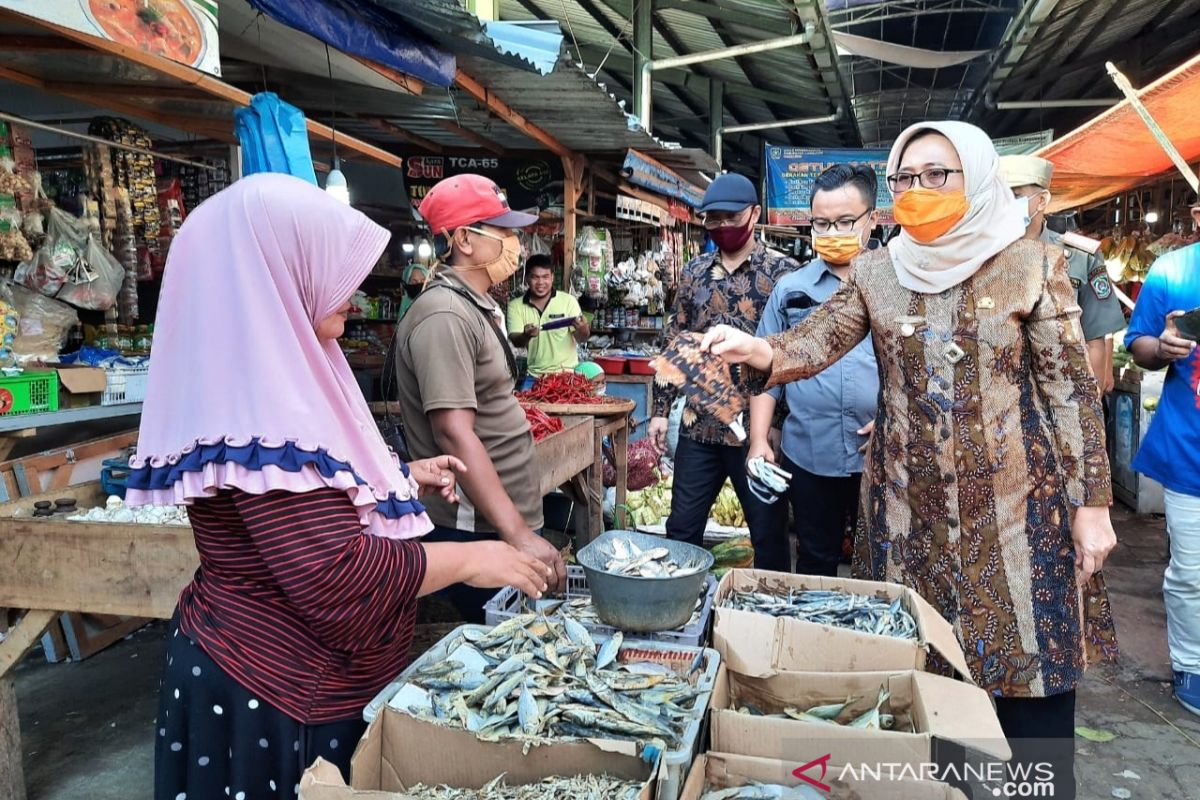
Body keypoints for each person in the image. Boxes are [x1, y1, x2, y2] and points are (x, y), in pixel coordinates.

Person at [700, 122, 1118, 799]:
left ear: (976, 178)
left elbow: (1070, 391)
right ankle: (951, 788)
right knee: (925, 675)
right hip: (906, 514)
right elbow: (818, 338)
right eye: (906, 179)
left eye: (937, 175)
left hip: (1021, 512)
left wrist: (1092, 505)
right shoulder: (879, 271)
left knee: (1029, 673)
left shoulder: (1033, 265)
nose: (918, 190)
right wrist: (765, 352)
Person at [125, 174, 551, 800]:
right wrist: (478, 557)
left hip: (289, 673)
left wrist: (398, 476)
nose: (354, 291)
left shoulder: (292, 367)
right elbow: (335, 574)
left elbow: (307, 492)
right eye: (333, 269)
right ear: (279, 275)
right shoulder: (261, 400)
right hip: (271, 689)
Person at [394, 174, 567, 622]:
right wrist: (517, 534)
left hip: (500, 522)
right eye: (504, 232)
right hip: (478, 530)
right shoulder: (445, 315)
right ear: (465, 239)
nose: (516, 243)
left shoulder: (474, 304)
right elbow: (453, 434)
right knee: (496, 643)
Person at [649, 172, 797, 571]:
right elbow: (675, 342)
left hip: (759, 433)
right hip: (700, 427)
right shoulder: (694, 274)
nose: (723, 226)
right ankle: (676, 612)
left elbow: (795, 354)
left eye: (731, 217)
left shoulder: (784, 274)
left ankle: (770, 622)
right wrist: (661, 410)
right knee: (681, 530)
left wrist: (779, 425)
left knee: (768, 535)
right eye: (713, 219)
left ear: (754, 214)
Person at [749, 164, 880, 577]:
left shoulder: (896, 288)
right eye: (822, 223)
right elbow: (765, 369)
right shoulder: (792, 290)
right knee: (815, 561)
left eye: (844, 221)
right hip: (809, 451)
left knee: (876, 565)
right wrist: (758, 441)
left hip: (878, 457)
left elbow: (919, 368)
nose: (831, 232)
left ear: (871, 220)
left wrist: (893, 419)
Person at [1124, 203, 1200, 717]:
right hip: (1190, 451)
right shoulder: (1172, 270)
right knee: (1192, 572)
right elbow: (1139, 344)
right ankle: (1192, 665)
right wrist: (1164, 347)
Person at [999, 155, 1126, 393]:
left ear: (1041, 200)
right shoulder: (980, 258)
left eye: (1014, 195)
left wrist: (1089, 412)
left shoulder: (1080, 257)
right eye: (998, 195)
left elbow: (1094, 340)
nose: (1003, 204)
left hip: (1062, 395)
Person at [507, 254, 589, 386]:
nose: (540, 283)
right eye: (535, 277)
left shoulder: (568, 301)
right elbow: (516, 341)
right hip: (534, 377)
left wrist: (583, 328)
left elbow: (582, 338)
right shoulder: (515, 305)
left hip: (567, 376)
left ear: (552, 277)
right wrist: (525, 335)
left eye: (545, 277)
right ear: (527, 278)